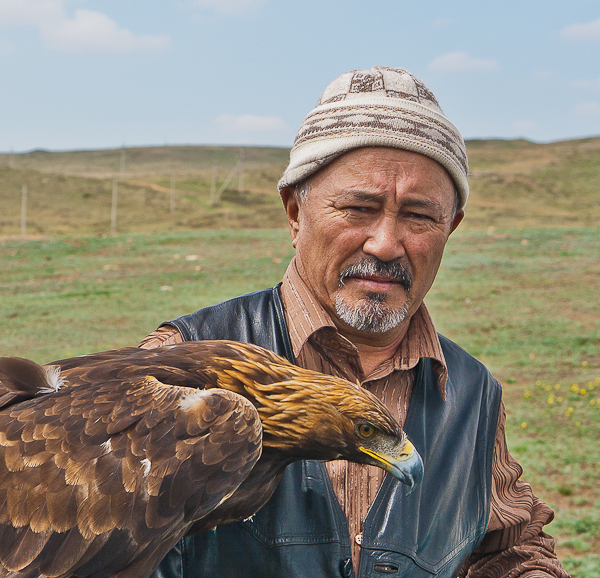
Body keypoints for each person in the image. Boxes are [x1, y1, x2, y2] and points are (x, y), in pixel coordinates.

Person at [141, 66, 568, 578]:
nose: (386, 244)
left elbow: (507, 548)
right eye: (358, 207)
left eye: (419, 216)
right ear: (295, 212)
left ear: (450, 228)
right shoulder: (176, 370)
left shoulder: (472, 395)